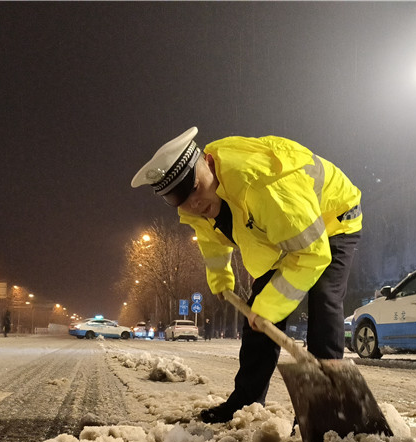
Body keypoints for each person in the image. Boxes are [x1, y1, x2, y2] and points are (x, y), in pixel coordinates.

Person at [132, 127, 363, 423]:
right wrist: (220, 277)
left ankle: (327, 411)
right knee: (257, 321)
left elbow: (312, 254)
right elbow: (210, 237)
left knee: (324, 300)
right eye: (178, 198)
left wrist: (268, 308)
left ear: (207, 163)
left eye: (194, 187)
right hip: (282, 231)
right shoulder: (198, 203)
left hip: (333, 220)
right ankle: (245, 403)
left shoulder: (262, 184)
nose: (193, 203)